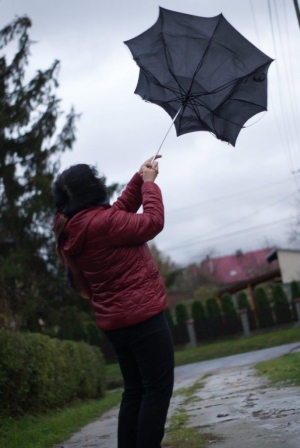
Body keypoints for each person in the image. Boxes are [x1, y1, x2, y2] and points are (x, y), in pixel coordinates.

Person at [52, 156, 174, 448]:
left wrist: (137, 178)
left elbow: (115, 215)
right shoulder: (103, 223)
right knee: (156, 390)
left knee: (134, 391)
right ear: (93, 190)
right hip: (143, 317)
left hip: (116, 323)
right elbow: (153, 222)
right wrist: (148, 186)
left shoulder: (73, 226)